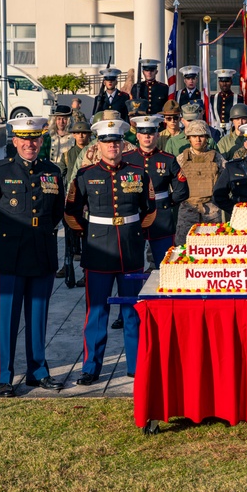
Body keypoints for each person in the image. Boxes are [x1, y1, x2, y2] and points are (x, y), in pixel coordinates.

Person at [0, 117, 65, 397]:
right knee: (7, 320)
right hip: (9, 255)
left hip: (41, 252)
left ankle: (38, 372)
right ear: (15, 141)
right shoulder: (0, 171)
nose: (30, 144)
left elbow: (56, 212)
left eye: (35, 139)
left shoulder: (52, 171)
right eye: (24, 139)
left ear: (41, 141)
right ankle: (4, 378)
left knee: (38, 317)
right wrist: (1, 239)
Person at [65, 119, 156, 386]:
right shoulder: (85, 175)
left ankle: (136, 365)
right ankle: (91, 367)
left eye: (116, 141)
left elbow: (150, 210)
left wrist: (136, 234)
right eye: (106, 141)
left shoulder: (139, 174)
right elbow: (71, 213)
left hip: (130, 250)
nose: (112, 146)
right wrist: (88, 234)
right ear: (99, 145)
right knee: (96, 311)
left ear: (122, 143)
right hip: (98, 250)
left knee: (132, 311)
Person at [123, 114, 190, 269]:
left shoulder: (167, 159)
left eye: (151, 133)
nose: (148, 136)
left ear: (157, 135)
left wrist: (167, 202)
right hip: (133, 213)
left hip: (161, 215)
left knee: (164, 262)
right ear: (137, 135)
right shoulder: (126, 159)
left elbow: (182, 189)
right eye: (144, 133)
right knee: (132, 261)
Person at [175, 120, 225, 245]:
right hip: (188, 209)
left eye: (201, 136)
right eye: (194, 136)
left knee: (214, 247)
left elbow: (225, 181)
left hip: (211, 209)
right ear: (189, 138)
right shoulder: (181, 159)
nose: (198, 139)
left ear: (207, 138)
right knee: (184, 247)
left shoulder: (217, 158)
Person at [56, 120, 92, 287]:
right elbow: (60, 176)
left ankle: (87, 272)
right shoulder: (66, 154)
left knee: (88, 240)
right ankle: (67, 266)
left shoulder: (93, 152)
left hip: (89, 203)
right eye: (78, 133)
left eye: (84, 132)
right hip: (72, 200)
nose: (81, 135)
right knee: (70, 240)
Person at [210, 68, 243, 132]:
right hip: (216, 130)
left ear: (231, 82)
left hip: (232, 130)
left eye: (227, 81)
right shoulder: (213, 98)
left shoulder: (238, 98)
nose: (224, 84)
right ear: (219, 82)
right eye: (222, 81)